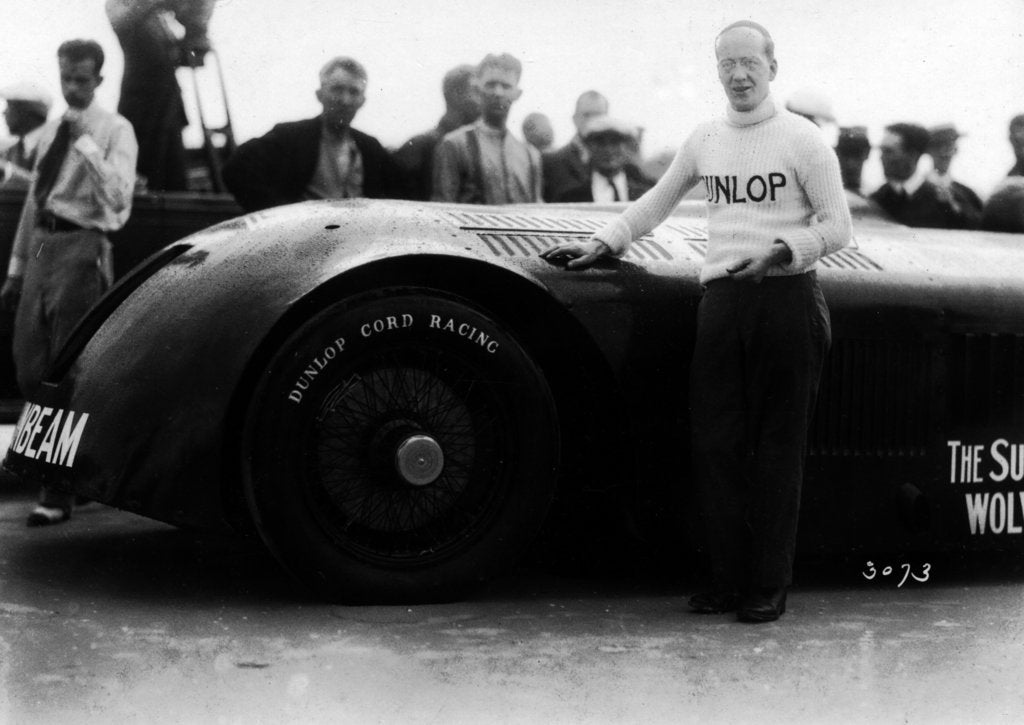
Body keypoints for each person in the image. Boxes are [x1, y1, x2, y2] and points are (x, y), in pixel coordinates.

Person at [541, 21, 851, 623]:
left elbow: (838, 228)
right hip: (723, 304)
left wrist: (782, 252)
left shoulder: (804, 140)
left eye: (750, 64)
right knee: (716, 447)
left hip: (787, 301)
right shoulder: (707, 138)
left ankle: (767, 586)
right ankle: (728, 579)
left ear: (772, 67)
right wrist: (604, 241)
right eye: (727, 65)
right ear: (718, 72)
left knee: (777, 451)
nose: (739, 75)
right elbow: (655, 202)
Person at [0, 40, 137, 526]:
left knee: (69, 369)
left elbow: (120, 200)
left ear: (98, 80)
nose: (73, 87)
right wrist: (17, 270)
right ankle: (70, 474)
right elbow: (37, 200)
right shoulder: (51, 129)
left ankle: (55, 490)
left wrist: (85, 145)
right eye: (66, 78)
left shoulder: (114, 129)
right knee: (29, 365)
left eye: (82, 79)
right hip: (43, 246)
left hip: (83, 245)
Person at [222, 56, 404, 212]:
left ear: (362, 101)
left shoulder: (369, 146)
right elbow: (236, 169)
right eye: (337, 89)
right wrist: (279, 215)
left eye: (353, 92)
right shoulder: (291, 136)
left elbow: (403, 189)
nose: (345, 100)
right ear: (320, 94)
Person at [106, 0, 214, 191]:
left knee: (174, 179)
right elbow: (125, 22)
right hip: (140, 109)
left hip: (168, 107)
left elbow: (183, 57)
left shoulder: (159, 18)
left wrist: (198, 33)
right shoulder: (117, 6)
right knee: (145, 176)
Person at [431, 53, 541, 204]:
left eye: (506, 86)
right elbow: (442, 210)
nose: (498, 93)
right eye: (491, 85)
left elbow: (536, 209)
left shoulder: (530, 155)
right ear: (477, 89)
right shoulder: (455, 145)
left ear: (517, 94)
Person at [392, 64, 481, 201]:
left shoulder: (479, 148)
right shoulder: (418, 148)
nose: (485, 100)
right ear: (455, 93)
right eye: (477, 91)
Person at [870, 123, 979, 229]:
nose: (881, 158)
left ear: (912, 154)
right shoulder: (876, 200)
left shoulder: (944, 202)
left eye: (888, 151)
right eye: (882, 151)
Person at [556, 115, 652, 202]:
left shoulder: (646, 194)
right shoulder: (570, 197)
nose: (608, 151)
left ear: (628, 147)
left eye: (615, 143)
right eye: (600, 143)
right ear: (588, 146)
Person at [542, 90, 608, 202]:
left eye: (599, 116)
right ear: (575, 119)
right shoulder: (551, 162)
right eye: (587, 115)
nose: (593, 121)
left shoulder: (618, 164)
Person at [925, 124, 983, 225]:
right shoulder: (916, 189)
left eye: (948, 146)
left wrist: (954, 206)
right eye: (938, 146)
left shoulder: (966, 193)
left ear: (956, 150)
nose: (944, 153)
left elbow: (979, 223)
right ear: (928, 151)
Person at [1, 83, 53, 190]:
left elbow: (48, 189)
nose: (4, 112)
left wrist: (7, 170)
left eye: (10, 106)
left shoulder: (54, 145)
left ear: (26, 112)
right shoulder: (12, 150)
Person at [834, 126, 870, 195]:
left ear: (867, 153)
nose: (850, 164)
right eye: (845, 154)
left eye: (856, 155)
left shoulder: (876, 197)